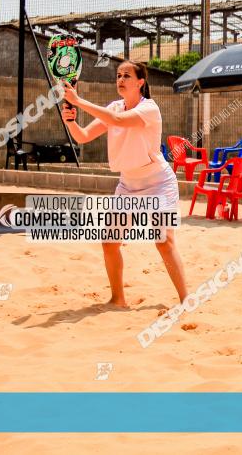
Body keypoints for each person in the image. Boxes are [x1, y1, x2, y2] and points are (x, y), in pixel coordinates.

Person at [60, 61, 188, 307]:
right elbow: (83, 136)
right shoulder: (115, 106)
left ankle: (186, 300)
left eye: (126, 75)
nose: (120, 79)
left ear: (141, 82)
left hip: (158, 183)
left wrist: (79, 101)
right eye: (118, 75)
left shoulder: (149, 109)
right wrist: (71, 121)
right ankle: (118, 299)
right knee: (109, 242)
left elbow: (117, 120)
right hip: (128, 185)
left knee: (164, 242)